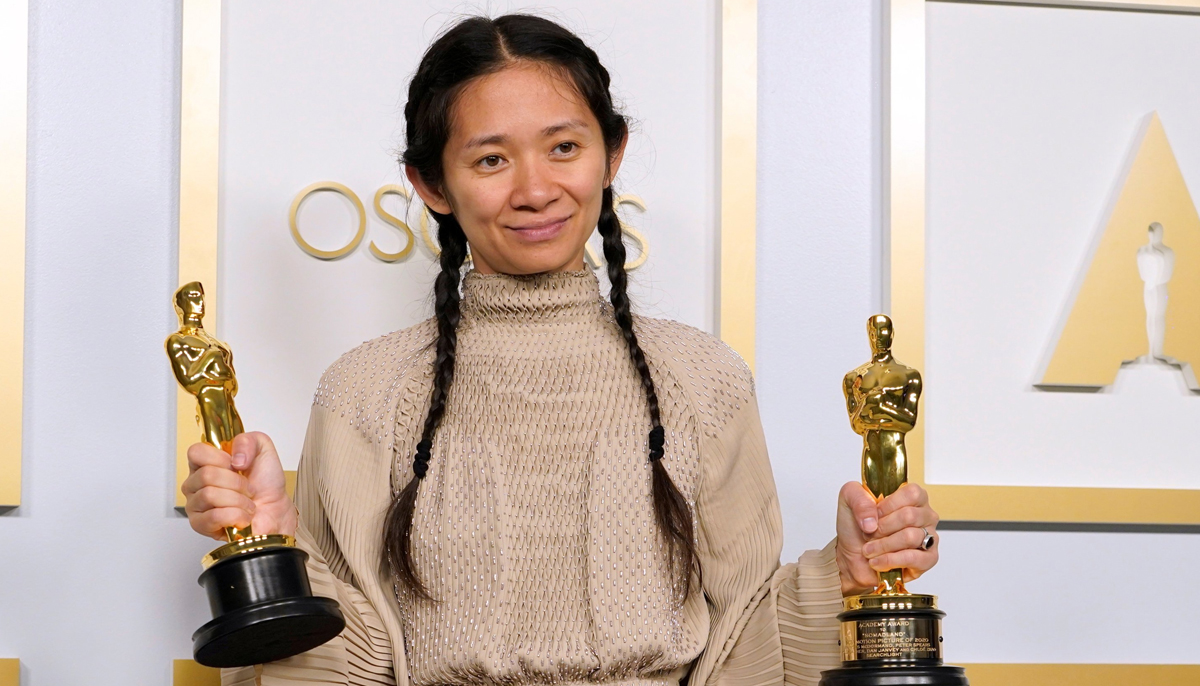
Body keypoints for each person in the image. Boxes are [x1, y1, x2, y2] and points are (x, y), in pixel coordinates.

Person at [181, 14, 941, 686]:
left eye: (564, 147)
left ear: (611, 155)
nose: (536, 189)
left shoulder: (703, 378)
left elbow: (742, 641)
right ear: (430, 184)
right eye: (490, 160)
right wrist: (281, 550)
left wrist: (849, 574)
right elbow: (353, 664)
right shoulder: (364, 391)